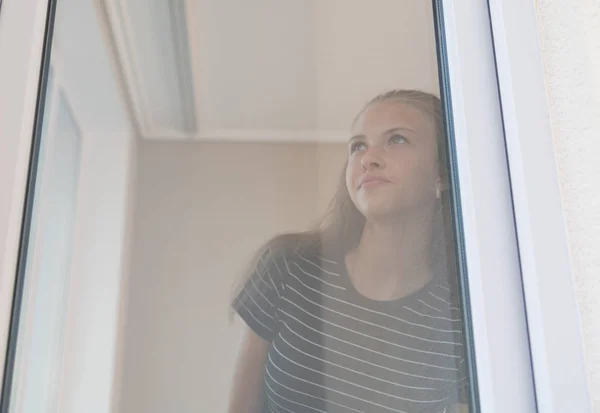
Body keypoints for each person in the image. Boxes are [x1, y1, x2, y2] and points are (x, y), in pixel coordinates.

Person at [228, 90, 469, 413]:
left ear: (442, 172)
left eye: (397, 140)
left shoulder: (461, 317)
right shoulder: (290, 266)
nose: (369, 159)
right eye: (358, 146)